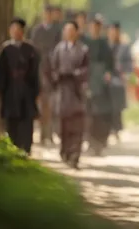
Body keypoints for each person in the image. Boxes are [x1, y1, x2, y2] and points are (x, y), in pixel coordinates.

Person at [0, 18, 40, 154]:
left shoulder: (30, 49)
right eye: (13, 29)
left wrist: (36, 91)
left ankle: (26, 148)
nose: (15, 32)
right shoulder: (6, 49)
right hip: (10, 91)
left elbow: (34, 72)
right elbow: (0, 71)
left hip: (26, 91)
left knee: (26, 121)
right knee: (11, 121)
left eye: (18, 29)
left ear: (22, 32)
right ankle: (12, 148)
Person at [50, 21, 89, 169]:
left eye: (72, 30)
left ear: (77, 32)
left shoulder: (83, 50)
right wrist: (57, 76)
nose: (69, 33)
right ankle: (64, 151)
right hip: (62, 91)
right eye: (67, 30)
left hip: (77, 91)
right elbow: (52, 67)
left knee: (77, 126)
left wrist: (75, 74)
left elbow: (86, 70)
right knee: (63, 125)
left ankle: (75, 155)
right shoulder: (59, 49)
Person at [29, 5, 61, 145]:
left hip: (52, 71)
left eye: (50, 14)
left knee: (51, 104)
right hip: (39, 70)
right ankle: (42, 134)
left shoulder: (57, 31)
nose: (48, 16)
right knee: (41, 103)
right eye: (46, 14)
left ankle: (50, 133)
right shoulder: (37, 31)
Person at [86, 15, 116, 155]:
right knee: (89, 113)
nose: (95, 29)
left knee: (102, 113)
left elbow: (110, 63)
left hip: (102, 82)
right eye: (93, 26)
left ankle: (101, 141)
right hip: (88, 80)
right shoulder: (85, 42)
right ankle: (90, 142)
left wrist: (108, 73)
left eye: (97, 26)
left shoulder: (105, 44)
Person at [108, 21, 132, 141]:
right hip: (107, 78)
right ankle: (109, 128)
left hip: (119, 78)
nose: (114, 34)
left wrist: (125, 73)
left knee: (117, 106)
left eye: (116, 31)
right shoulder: (106, 45)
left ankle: (116, 129)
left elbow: (129, 63)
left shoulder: (124, 47)